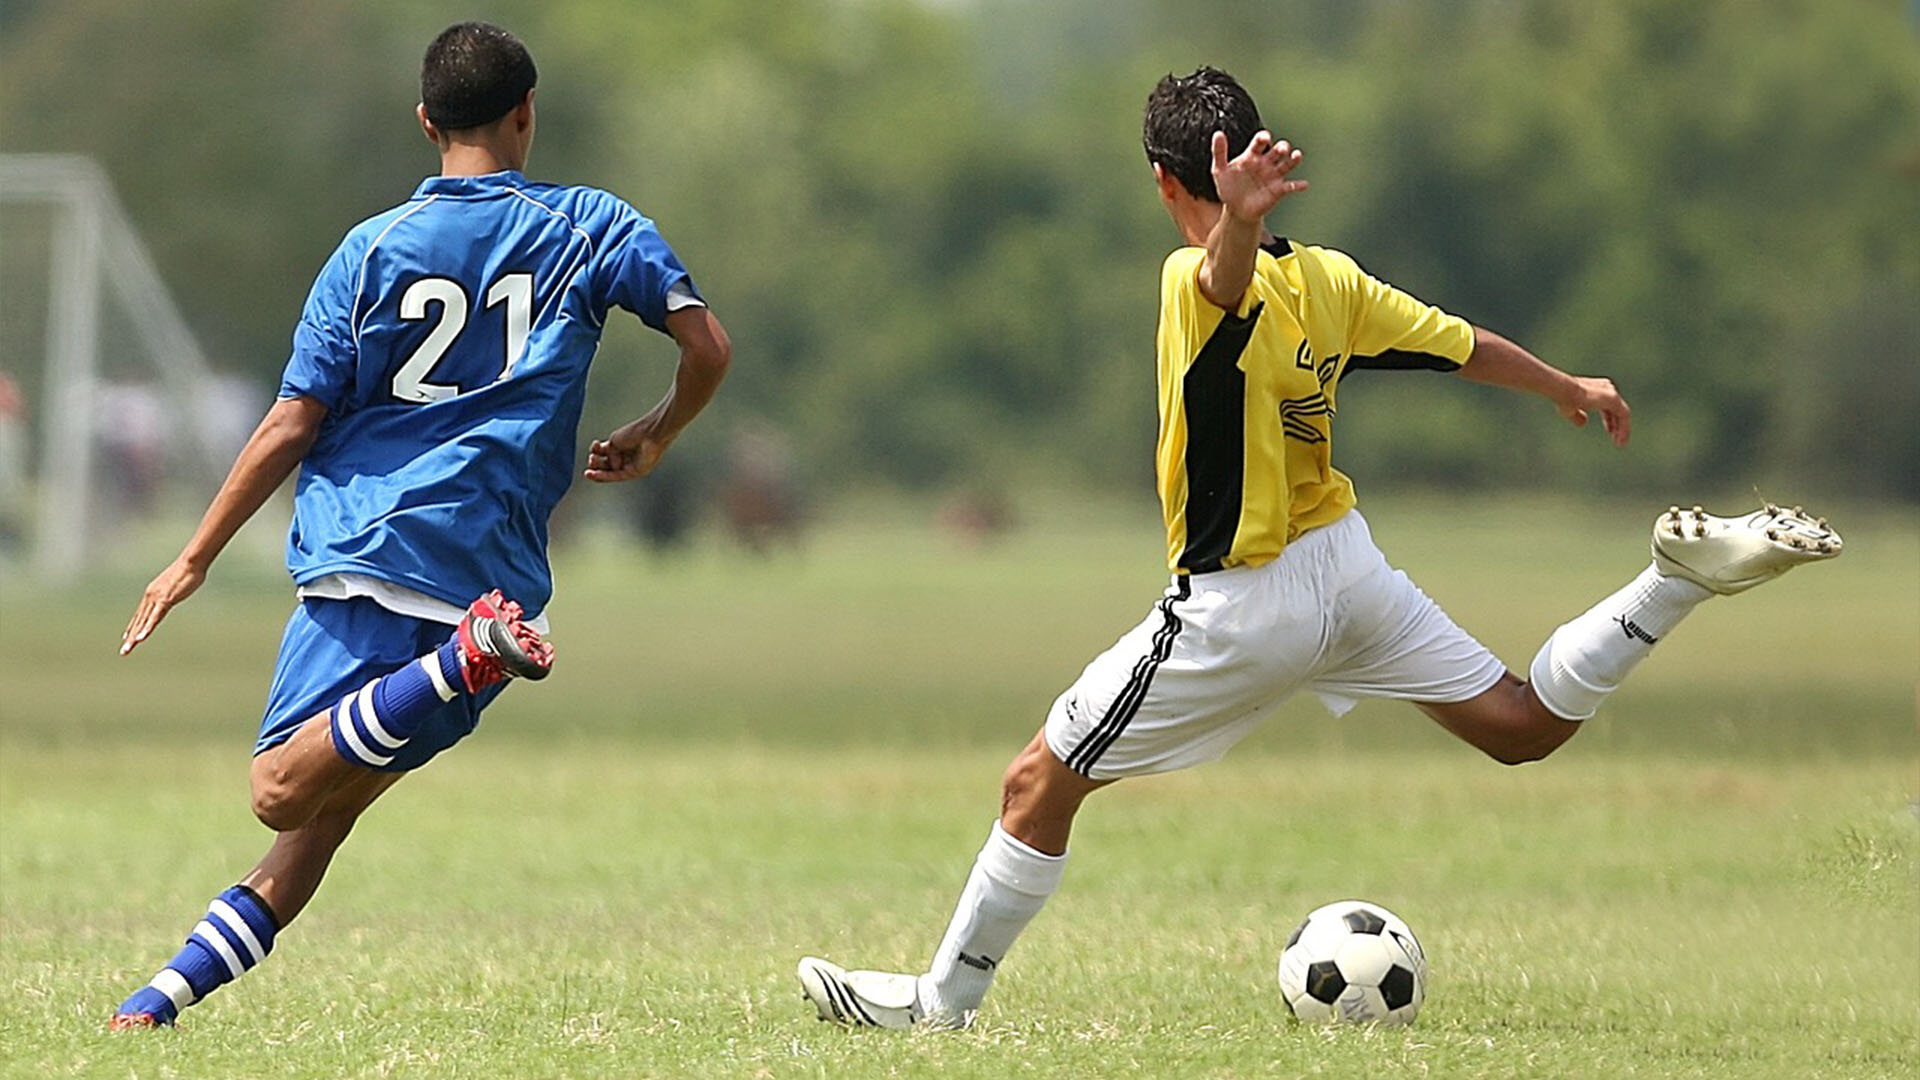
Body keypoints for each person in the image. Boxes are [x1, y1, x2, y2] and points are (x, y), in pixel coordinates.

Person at [796, 66, 1840, 1030]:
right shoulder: (1330, 280)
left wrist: (1232, 229)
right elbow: (1458, 343)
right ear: (1250, 158)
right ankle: (1669, 584)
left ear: (1165, 181)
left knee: (1037, 783)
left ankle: (943, 1005)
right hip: (1347, 567)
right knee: (1521, 724)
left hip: (1242, 603)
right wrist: (1567, 384)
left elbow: (1219, 286)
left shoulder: (1188, 278)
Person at [110, 22, 731, 1029]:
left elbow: (291, 422)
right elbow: (708, 346)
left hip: (371, 551)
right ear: (527, 113)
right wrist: (657, 434)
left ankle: (457, 662)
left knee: (278, 790)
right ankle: (156, 1005)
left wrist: (192, 557)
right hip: (492, 569)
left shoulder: (369, 252)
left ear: (425, 122)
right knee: (318, 826)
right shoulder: (591, 225)